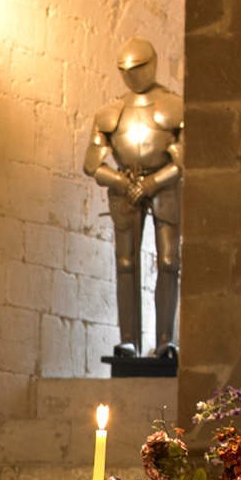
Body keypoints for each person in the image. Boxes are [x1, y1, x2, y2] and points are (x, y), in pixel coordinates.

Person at [84, 37, 183, 368]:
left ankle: (166, 341)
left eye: (138, 68)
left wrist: (153, 182)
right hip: (125, 189)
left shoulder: (175, 106)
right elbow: (92, 164)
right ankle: (129, 339)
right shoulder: (109, 112)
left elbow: (185, 159)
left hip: (164, 187)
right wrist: (122, 181)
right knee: (125, 264)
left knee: (169, 262)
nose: (133, 75)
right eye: (126, 70)